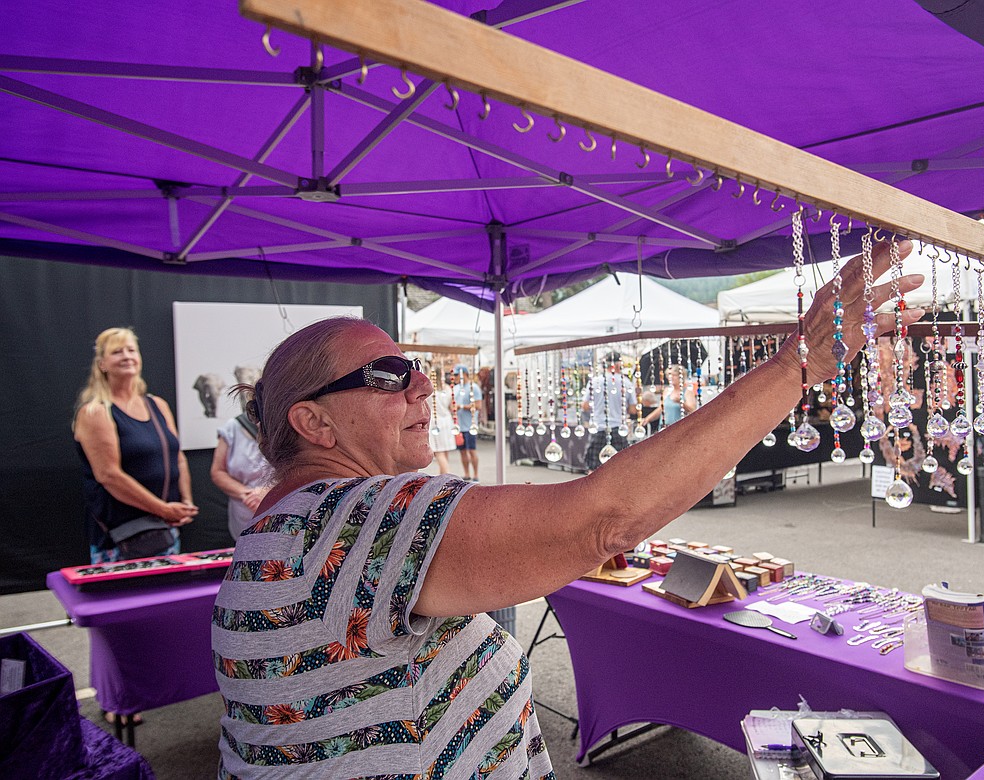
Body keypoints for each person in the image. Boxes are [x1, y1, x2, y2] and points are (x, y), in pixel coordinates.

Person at [211, 240, 920, 778]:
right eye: (390, 375)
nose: (424, 387)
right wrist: (799, 362)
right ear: (314, 424)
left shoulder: (295, 529)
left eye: (418, 368)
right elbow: (602, 521)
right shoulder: (344, 521)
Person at [74, 327, 198, 565]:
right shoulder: (96, 412)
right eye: (117, 352)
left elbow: (177, 457)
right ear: (102, 364)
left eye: (131, 350)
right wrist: (163, 509)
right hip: (122, 538)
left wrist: (186, 503)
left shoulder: (157, 405)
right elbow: (109, 475)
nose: (127, 356)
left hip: (165, 530)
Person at [210, 404, 272, 541]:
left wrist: (268, 492)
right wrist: (248, 494)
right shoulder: (233, 427)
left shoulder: (293, 427)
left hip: (282, 516)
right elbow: (218, 472)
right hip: (244, 518)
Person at [582, 352, 637, 471]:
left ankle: (593, 489)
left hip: (598, 427)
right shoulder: (626, 382)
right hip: (618, 428)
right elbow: (633, 409)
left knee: (593, 466)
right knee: (620, 467)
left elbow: (585, 406)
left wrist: (598, 406)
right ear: (618, 365)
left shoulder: (594, 381)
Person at [452, 364, 483, 481]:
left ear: (463, 374)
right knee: (462, 451)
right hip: (459, 426)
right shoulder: (455, 388)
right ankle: (466, 473)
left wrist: (462, 407)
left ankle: (475, 474)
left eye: (456, 374)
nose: (454, 377)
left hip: (470, 425)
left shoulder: (473, 387)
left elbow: (478, 405)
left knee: (472, 450)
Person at [428, 364, 458, 474]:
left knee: (439, 453)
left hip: (435, 421)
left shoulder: (430, 389)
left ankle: (447, 476)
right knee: (444, 452)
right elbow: (452, 407)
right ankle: (443, 477)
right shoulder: (447, 388)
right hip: (447, 420)